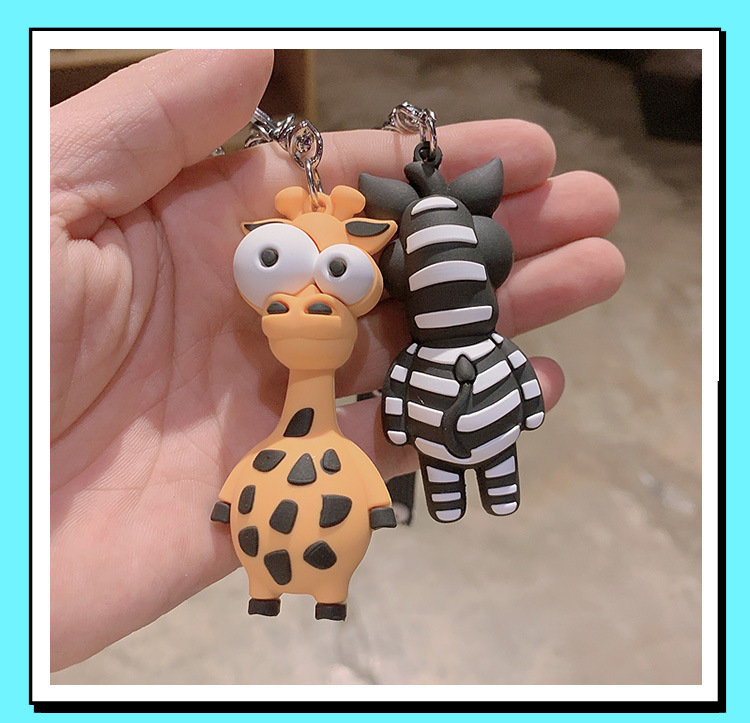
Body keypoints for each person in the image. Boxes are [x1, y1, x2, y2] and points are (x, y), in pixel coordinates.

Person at [50, 49, 624, 672]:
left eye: (334, 279)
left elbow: (423, 386)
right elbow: (399, 393)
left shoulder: (455, 348)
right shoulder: (405, 357)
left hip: (456, 420)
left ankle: (442, 512)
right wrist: (394, 435)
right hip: (354, 454)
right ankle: (299, 580)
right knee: (437, 481)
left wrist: (436, 419)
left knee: (473, 471)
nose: (309, 305)